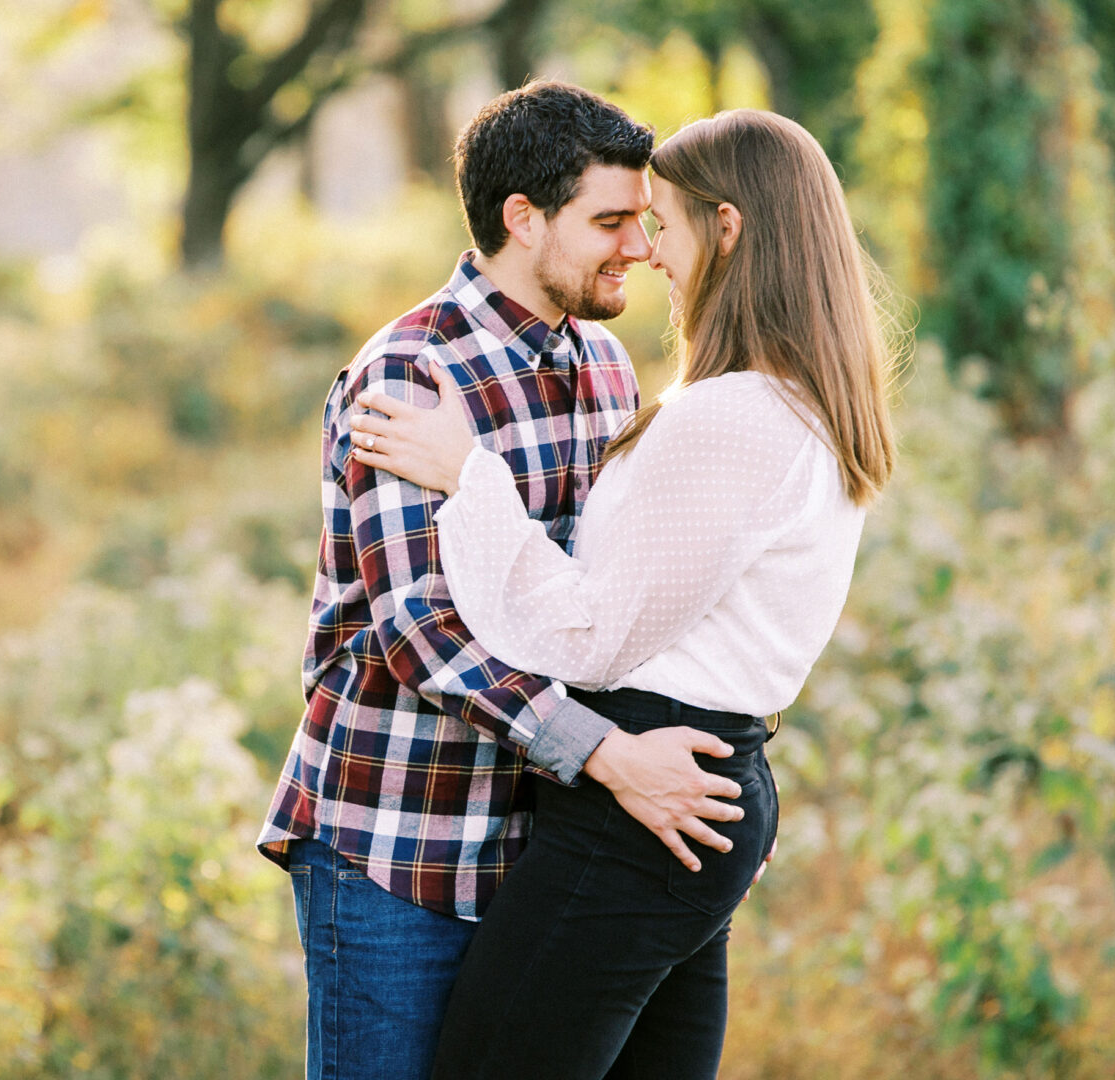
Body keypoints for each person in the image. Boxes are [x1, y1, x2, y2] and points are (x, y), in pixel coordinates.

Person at [349, 108, 898, 1079]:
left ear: (728, 229)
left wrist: (471, 478)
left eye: (665, 225)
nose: (650, 253)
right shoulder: (796, 400)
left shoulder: (729, 416)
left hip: (641, 796)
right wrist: (741, 783)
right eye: (623, 223)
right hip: (685, 774)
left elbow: (594, 633)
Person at [256, 82, 758, 1080]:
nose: (639, 248)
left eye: (644, 222)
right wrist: (612, 756)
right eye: (610, 222)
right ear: (522, 220)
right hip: (401, 843)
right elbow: (421, 630)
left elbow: (611, 597)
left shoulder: (611, 368)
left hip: (545, 849)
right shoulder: (410, 374)